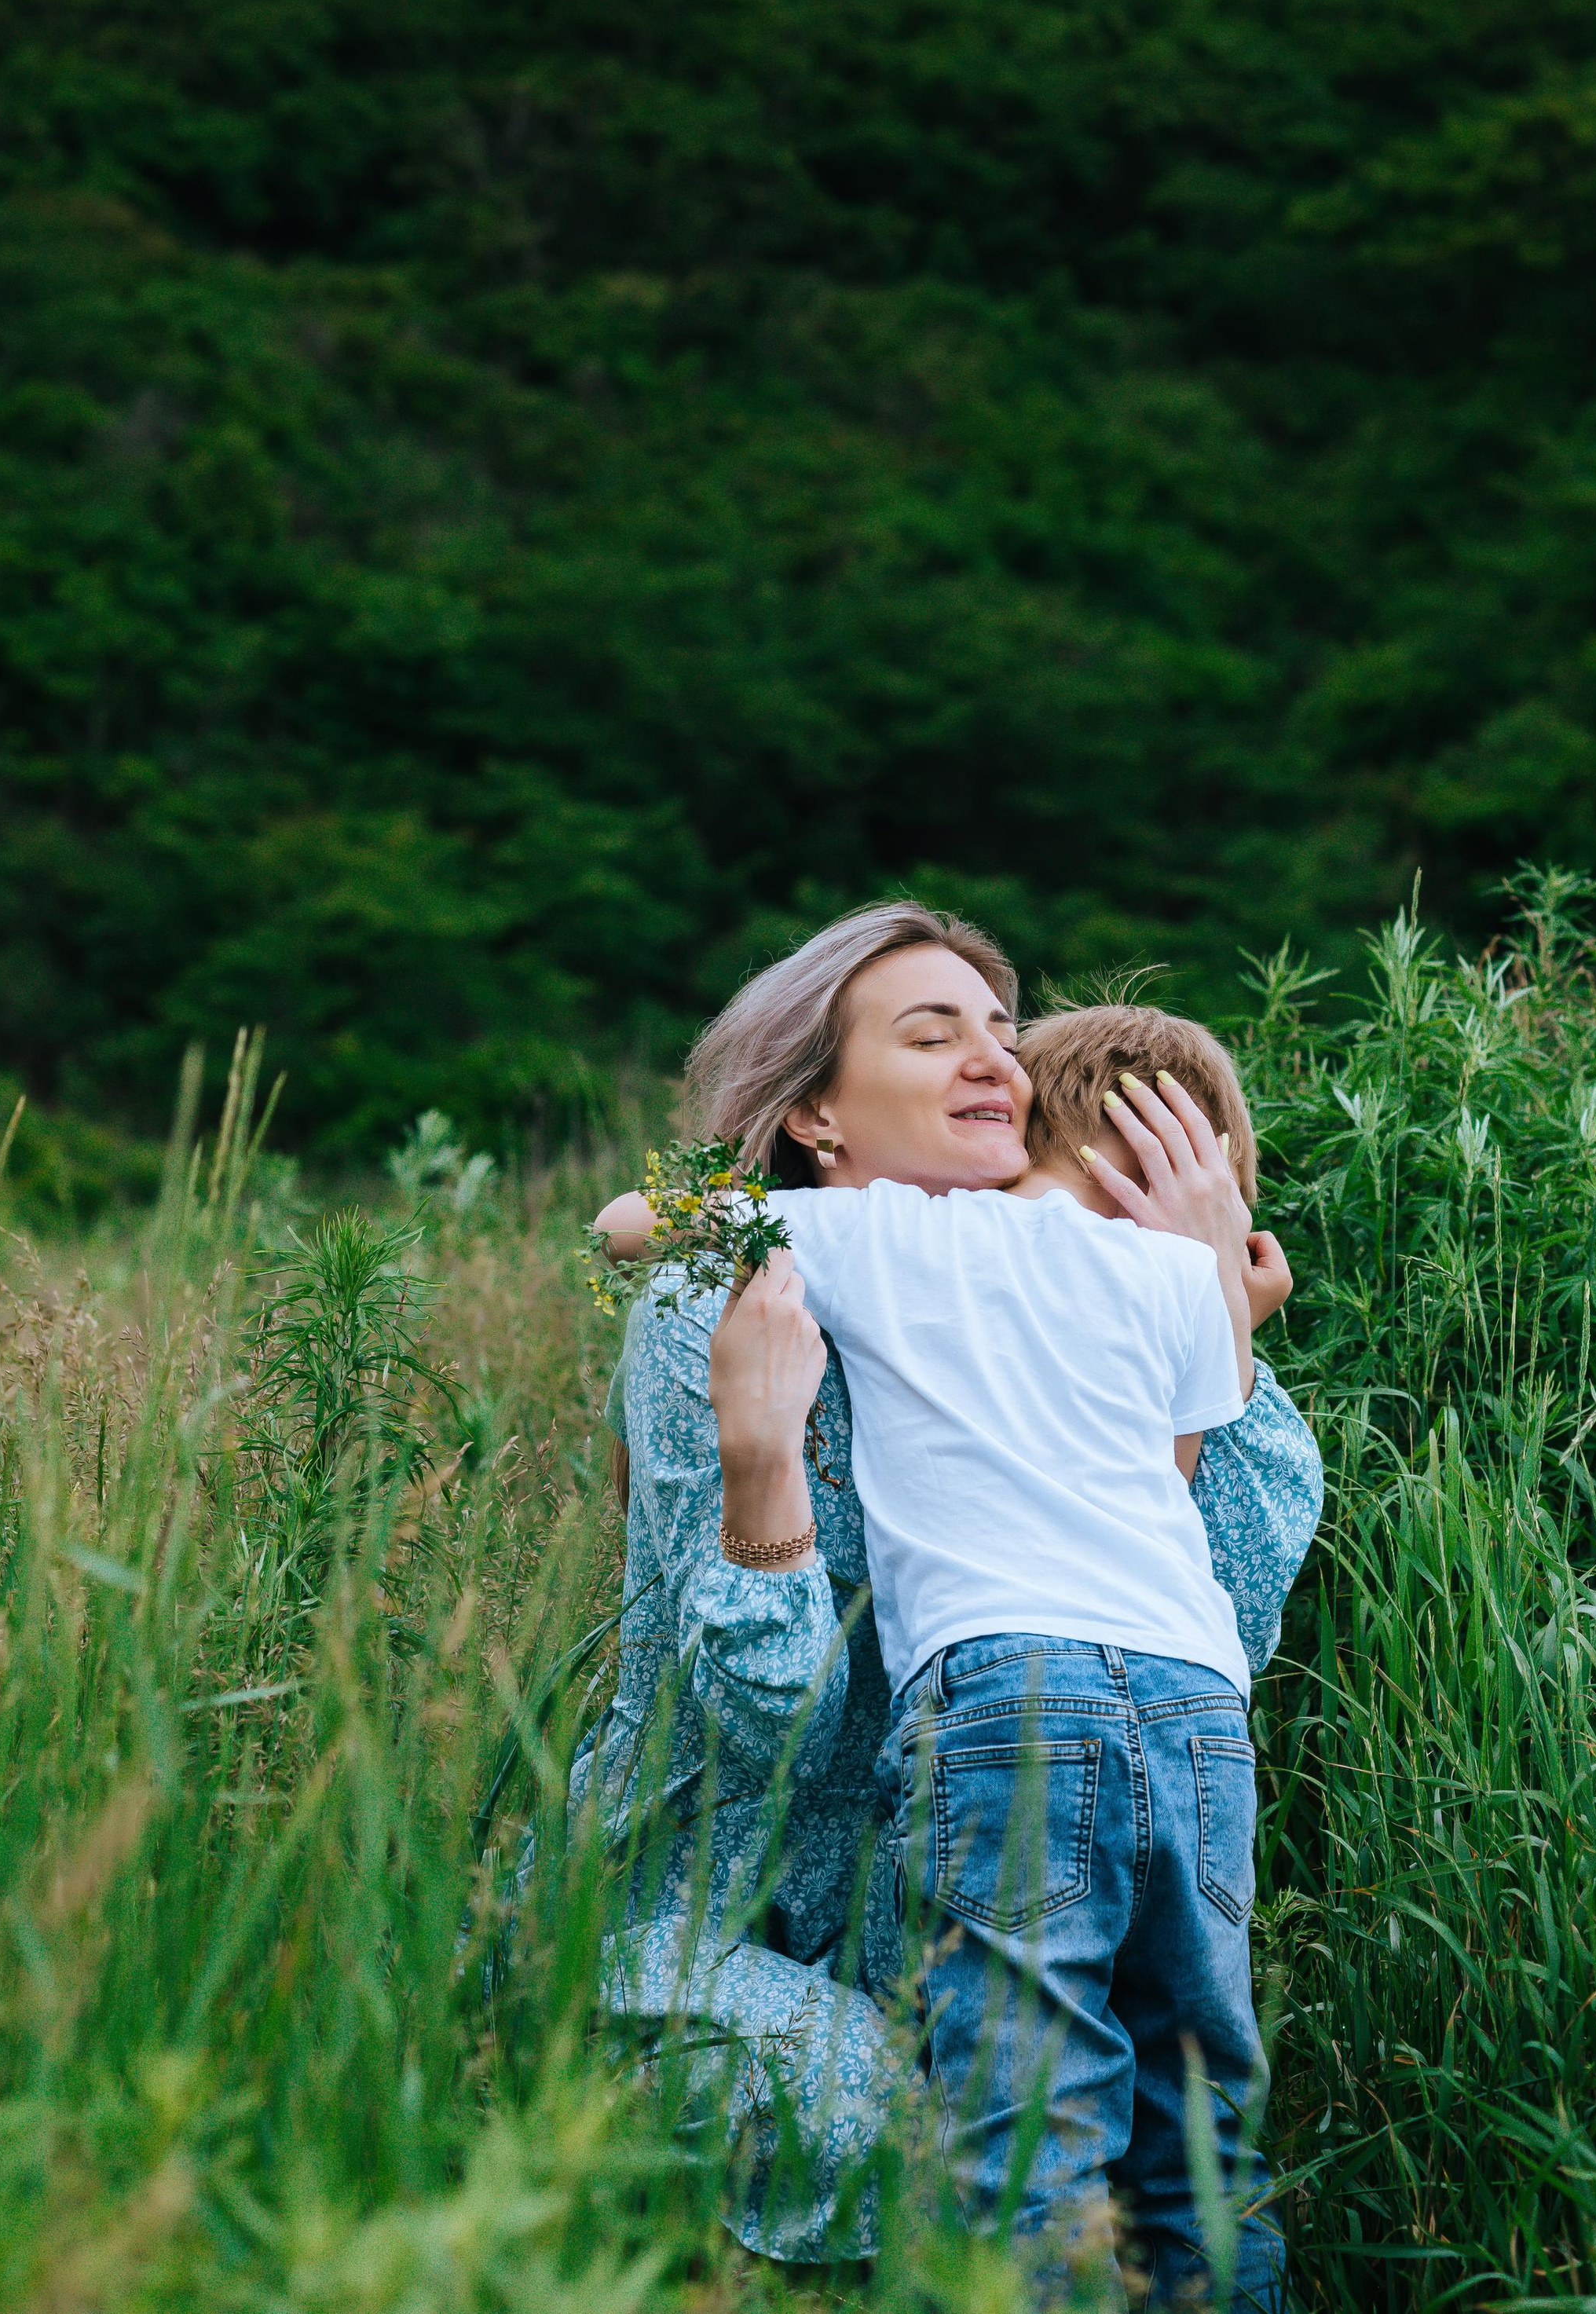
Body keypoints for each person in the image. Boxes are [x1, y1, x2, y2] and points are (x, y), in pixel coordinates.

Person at [558, 903, 1322, 2272]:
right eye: (934, 1032)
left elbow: (1230, 1630)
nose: (997, 1061)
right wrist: (759, 1468)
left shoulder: (1105, 1309)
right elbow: (759, 1735)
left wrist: (1219, 1319)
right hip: (741, 1921)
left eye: (1003, 1033)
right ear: (816, 1120)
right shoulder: (725, 1306)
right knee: (1008, 2147)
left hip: (999, 1869)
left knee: (1119, 2143)